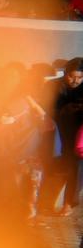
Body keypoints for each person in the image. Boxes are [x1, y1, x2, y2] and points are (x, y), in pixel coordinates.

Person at [48, 58, 83, 215]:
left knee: (77, 166)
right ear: (65, 73)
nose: (75, 81)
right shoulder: (54, 86)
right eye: (71, 76)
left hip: (78, 136)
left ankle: (69, 203)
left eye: (80, 77)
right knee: (57, 166)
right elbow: (48, 109)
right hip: (57, 133)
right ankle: (45, 202)